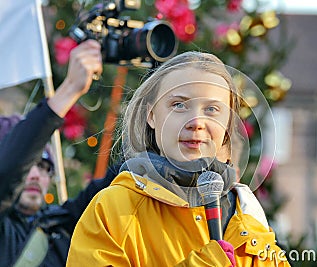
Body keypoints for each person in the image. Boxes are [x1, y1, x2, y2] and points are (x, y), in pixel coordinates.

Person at [66, 51, 290, 266]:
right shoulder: (112, 208)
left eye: (212, 109)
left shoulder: (248, 212)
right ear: (151, 115)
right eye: (179, 105)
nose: (196, 121)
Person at [0, 40, 120, 267]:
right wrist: (69, 89)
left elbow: (118, 180)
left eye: (45, 167)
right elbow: (7, 170)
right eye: (30, 166)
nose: (36, 175)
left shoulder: (62, 227)